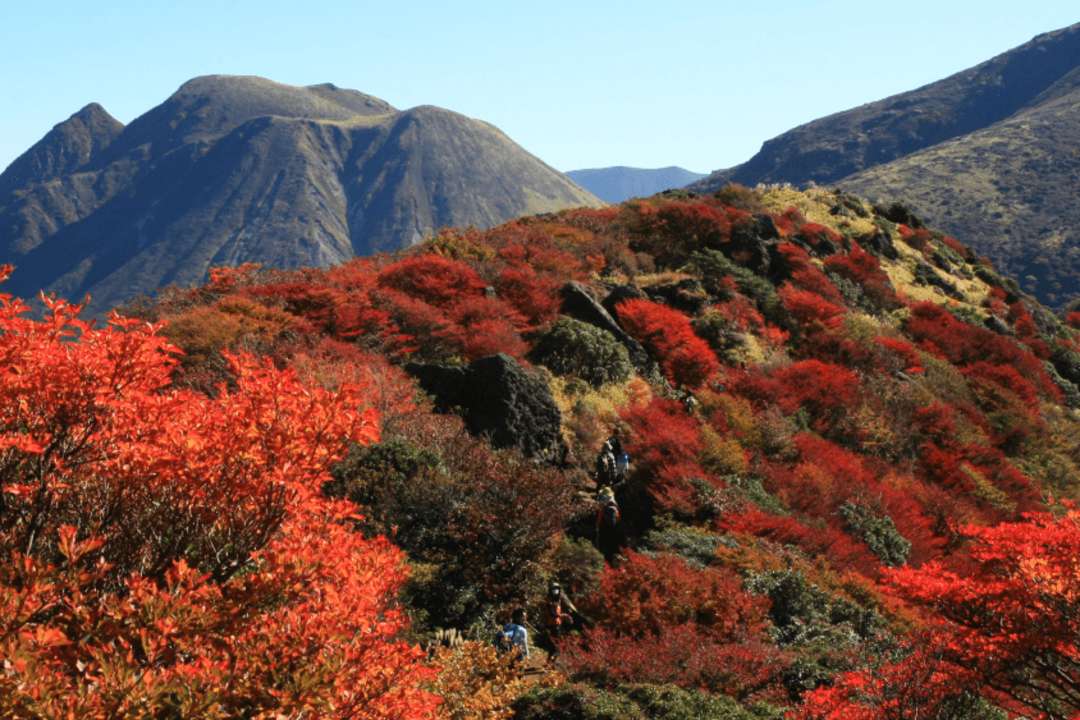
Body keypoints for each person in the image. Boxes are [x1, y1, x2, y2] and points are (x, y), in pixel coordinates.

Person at [543, 581, 578, 656]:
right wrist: (565, 616)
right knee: (554, 645)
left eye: (556, 588)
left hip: (557, 624)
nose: (555, 590)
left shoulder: (559, 599)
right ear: (550, 590)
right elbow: (553, 614)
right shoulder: (549, 600)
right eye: (553, 589)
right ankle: (551, 659)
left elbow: (566, 606)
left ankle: (552, 660)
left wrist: (570, 612)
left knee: (557, 644)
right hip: (550, 625)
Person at [595, 486, 622, 561]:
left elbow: (600, 514)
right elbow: (618, 515)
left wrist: (597, 525)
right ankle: (612, 559)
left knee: (603, 542)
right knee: (612, 542)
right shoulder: (614, 503)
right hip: (614, 526)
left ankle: (602, 558)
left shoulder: (604, 502)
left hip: (604, 525)